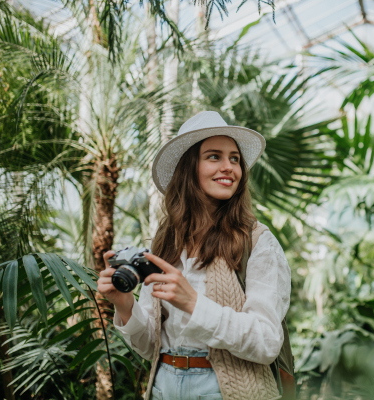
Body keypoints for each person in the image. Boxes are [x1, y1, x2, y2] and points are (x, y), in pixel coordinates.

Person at [97, 111, 292, 400]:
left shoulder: (257, 242)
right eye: (214, 156)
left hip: (225, 391)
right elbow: (151, 347)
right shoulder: (165, 243)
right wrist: (125, 305)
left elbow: (266, 342)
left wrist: (194, 303)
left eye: (235, 159)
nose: (229, 167)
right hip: (163, 387)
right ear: (188, 168)